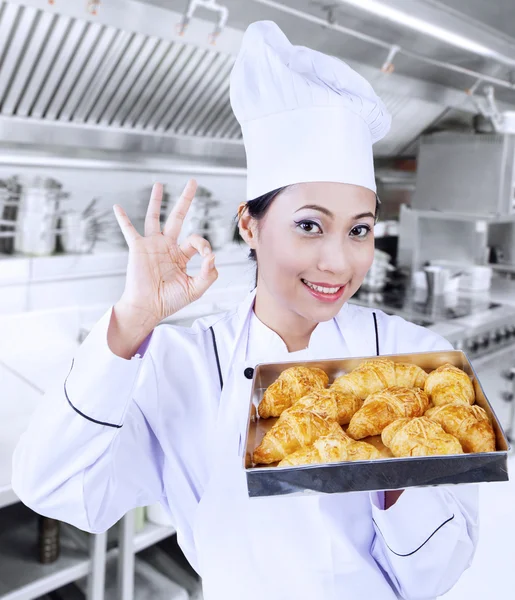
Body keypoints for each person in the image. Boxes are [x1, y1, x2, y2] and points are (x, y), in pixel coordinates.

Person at [12, 20, 478, 600]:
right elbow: (52, 487)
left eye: (359, 230)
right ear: (249, 226)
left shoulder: (416, 364)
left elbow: (444, 566)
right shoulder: (185, 365)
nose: (338, 262)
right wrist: (131, 321)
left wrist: (390, 469)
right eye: (309, 225)